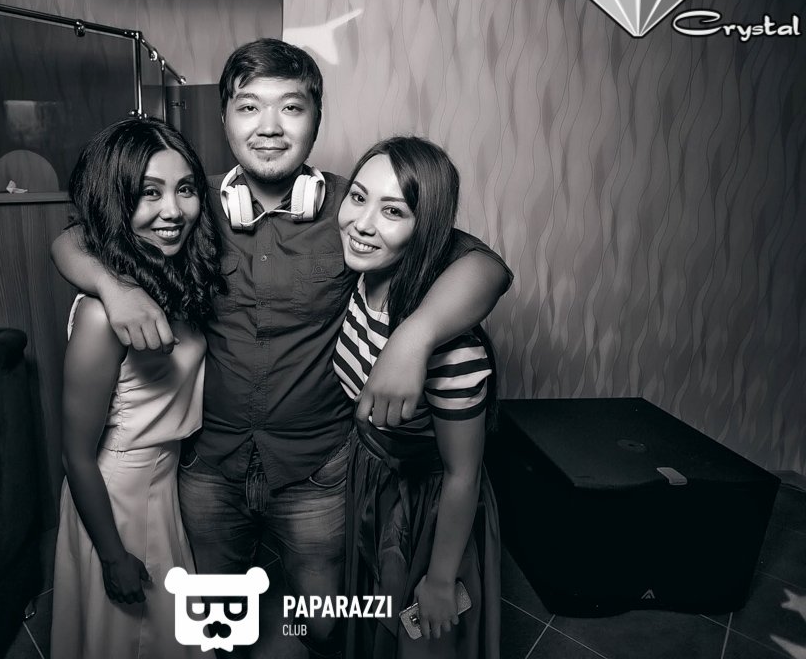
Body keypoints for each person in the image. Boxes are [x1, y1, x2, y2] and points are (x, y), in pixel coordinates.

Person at [51, 38, 511, 658]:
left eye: (291, 107)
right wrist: (114, 288)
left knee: (320, 622)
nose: (269, 127)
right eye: (248, 107)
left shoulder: (357, 208)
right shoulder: (189, 203)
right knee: (215, 620)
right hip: (208, 465)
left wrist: (415, 335)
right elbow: (75, 237)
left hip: (317, 467)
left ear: (317, 118)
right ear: (223, 118)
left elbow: (487, 267)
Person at [50, 118, 223, 659]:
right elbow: (76, 456)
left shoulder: (168, 273)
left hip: (161, 480)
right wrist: (112, 555)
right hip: (118, 495)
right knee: (133, 637)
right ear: (116, 198)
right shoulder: (103, 315)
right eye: (150, 193)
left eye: (185, 189)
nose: (173, 210)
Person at [334, 137, 503, 659]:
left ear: (425, 228)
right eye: (358, 197)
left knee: (418, 640)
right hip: (373, 479)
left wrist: (441, 577)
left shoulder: (454, 350)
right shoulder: (363, 279)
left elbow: (462, 475)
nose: (362, 224)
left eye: (393, 211)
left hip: (427, 506)